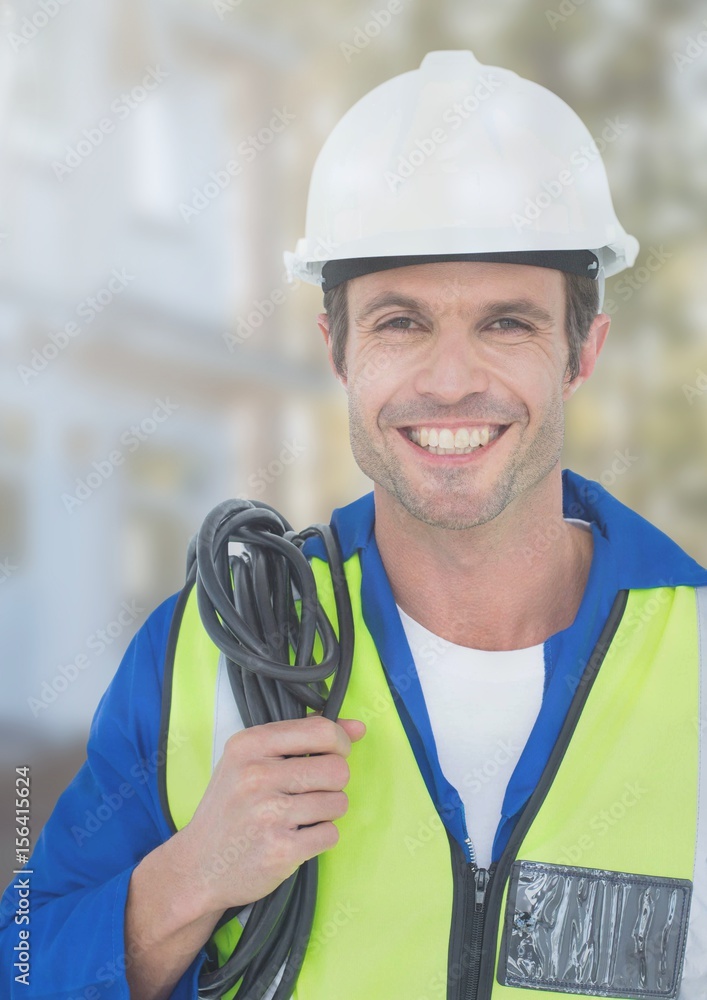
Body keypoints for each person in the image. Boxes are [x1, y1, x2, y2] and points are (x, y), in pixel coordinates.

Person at [2, 48, 706, 1000]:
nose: (450, 380)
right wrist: (187, 881)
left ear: (584, 349)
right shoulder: (203, 653)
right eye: (400, 323)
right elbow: (23, 961)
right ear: (334, 346)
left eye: (506, 323)